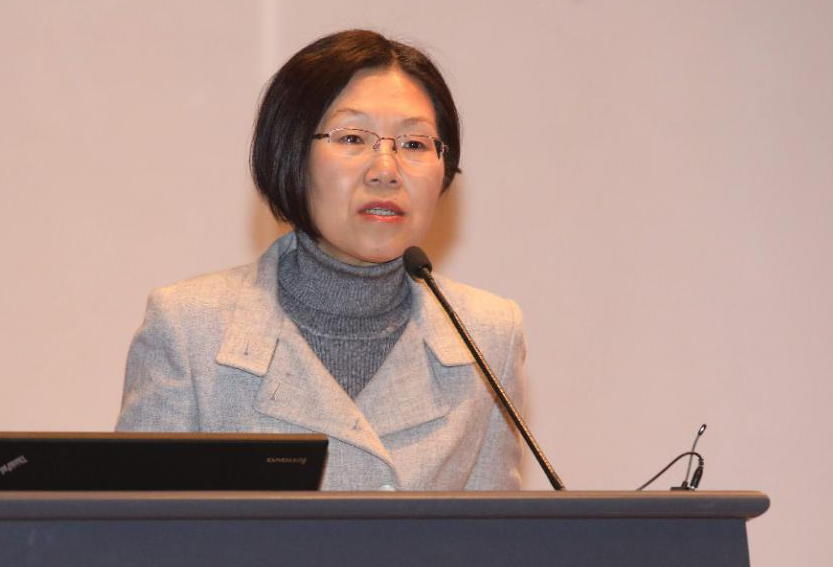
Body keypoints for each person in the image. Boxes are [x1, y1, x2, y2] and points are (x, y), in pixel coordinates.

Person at [115, 29, 526, 491]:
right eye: (352, 137)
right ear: (291, 152)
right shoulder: (189, 330)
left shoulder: (487, 337)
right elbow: (142, 530)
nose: (386, 171)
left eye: (414, 144)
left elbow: (494, 532)